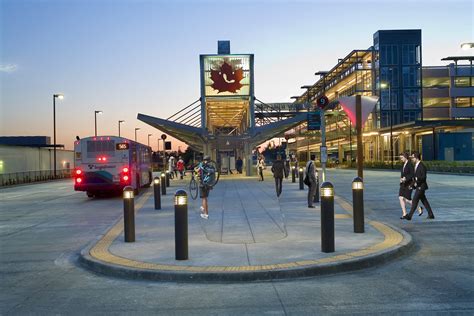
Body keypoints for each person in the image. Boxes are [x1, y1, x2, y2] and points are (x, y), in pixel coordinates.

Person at [404, 152, 435, 220]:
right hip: (418, 186)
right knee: (424, 200)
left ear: (416, 158)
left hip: (421, 186)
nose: (412, 159)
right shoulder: (416, 165)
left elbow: (423, 177)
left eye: (413, 157)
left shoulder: (421, 166)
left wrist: (417, 181)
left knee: (415, 200)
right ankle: (431, 214)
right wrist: (412, 185)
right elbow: (415, 177)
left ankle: (409, 216)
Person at [398, 152, 422, 219]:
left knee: (407, 199)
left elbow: (412, 174)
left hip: (409, 184)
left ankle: (418, 207)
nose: (401, 159)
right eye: (400, 158)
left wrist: (405, 178)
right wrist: (401, 179)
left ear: (405, 157)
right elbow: (403, 174)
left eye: (402, 158)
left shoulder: (410, 164)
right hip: (403, 184)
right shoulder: (403, 164)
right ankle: (404, 213)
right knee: (400, 198)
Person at [197, 155, 216, 219]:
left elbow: (197, 170)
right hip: (209, 184)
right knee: (205, 198)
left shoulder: (202, 166)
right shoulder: (212, 167)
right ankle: (203, 208)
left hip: (203, 184)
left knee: (204, 198)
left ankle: (206, 214)